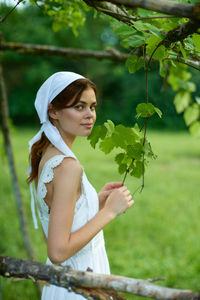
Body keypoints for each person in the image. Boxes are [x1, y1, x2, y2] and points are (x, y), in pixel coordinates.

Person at [27, 71, 134, 299]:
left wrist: (94, 200)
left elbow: (55, 227)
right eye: (79, 107)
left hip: (62, 282)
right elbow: (57, 250)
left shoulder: (46, 154)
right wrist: (109, 212)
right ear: (53, 111)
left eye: (92, 107)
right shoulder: (68, 167)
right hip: (77, 283)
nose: (89, 115)